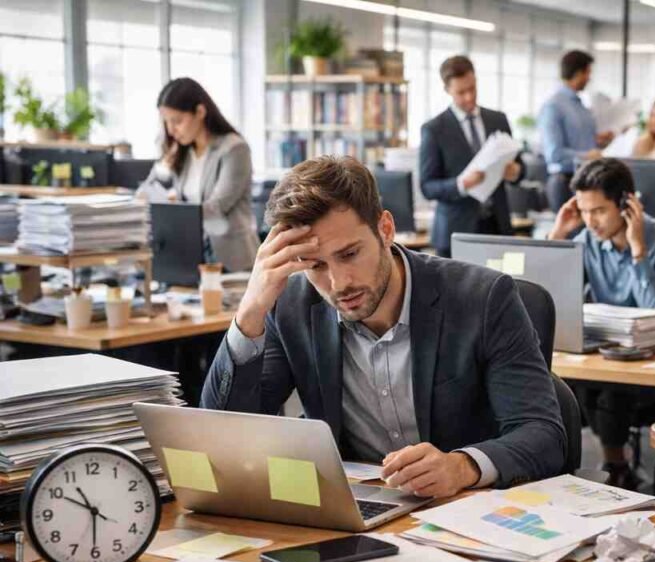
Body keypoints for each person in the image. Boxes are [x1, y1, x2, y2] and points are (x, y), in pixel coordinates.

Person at [200, 156, 566, 496]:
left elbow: (543, 435)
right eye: (316, 266)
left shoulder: (484, 298)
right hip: (356, 509)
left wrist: (462, 466)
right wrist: (250, 311)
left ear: (385, 229)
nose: (339, 282)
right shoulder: (291, 306)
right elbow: (223, 437)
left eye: (349, 254)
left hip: (465, 510)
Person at [549, 158, 655, 488]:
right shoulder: (586, 240)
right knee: (563, 382)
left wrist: (638, 252)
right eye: (584, 211)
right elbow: (546, 296)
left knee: (612, 391)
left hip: (654, 364)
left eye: (598, 211)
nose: (590, 222)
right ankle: (607, 468)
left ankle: (615, 467)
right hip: (603, 355)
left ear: (627, 204)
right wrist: (558, 236)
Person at [139, 77, 259, 272]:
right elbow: (144, 193)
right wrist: (163, 166)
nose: (171, 130)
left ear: (200, 112)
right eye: (166, 122)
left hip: (231, 260)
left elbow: (217, 206)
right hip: (192, 256)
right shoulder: (182, 153)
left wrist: (174, 214)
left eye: (177, 121)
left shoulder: (234, 149)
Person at [419, 55, 524, 258]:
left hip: (497, 227)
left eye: (472, 89)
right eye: (461, 92)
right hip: (456, 231)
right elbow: (427, 186)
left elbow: (519, 167)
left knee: (504, 287)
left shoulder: (498, 120)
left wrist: (516, 172)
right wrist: (461, 184)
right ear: (447, 90)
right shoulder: (434, 129)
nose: (469, 97)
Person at [538, 50, 615, 212]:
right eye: (588, 73)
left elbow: (583, 142)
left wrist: (599, 141)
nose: (589, 78)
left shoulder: (579, 105)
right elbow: (554, 154)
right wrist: (586, 156)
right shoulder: (554, 106)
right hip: (564, 183)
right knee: (569, 235)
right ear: (579, 73)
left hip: (587, 180)